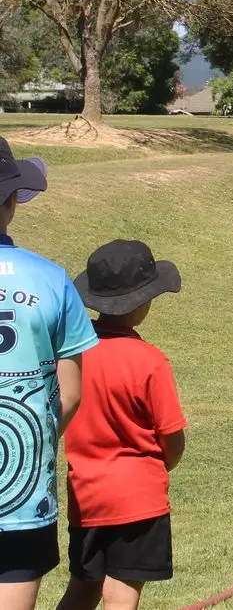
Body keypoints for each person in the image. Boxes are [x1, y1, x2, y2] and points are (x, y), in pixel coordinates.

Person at [58, 241, 186, 610]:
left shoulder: (73, 355)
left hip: (85, 497)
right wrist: (160, 466)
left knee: (82, 589)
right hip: (138, 501)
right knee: (121, 597)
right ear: (143, 301)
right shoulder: (149, 361)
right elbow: (172, 440)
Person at [0, 138, 98, 610]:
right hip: (21, 494)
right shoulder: (51, 279)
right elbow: (71, 394)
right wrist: (33, 438)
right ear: (13, 200)